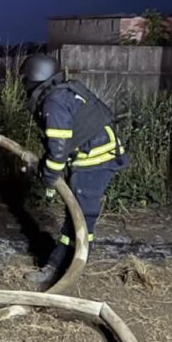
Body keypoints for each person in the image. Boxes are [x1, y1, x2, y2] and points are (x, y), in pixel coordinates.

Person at [20, 54, 129, 286]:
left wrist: (48, 177)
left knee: (81, 218)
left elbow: (58, 150)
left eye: (25, 79)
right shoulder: (63, 92)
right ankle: (61, 265)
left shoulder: (54, 102)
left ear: (34, 78)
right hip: (93, 156)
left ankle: (68, 269)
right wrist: (47, 170)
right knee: (75, 216)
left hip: (94, 161)